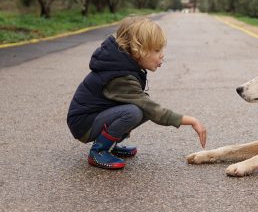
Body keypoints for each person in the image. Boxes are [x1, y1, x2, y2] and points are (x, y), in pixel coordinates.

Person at [67, 16, 207, 170]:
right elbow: (153, 110)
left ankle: (110, 144)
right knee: (134, 111)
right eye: (156, 50)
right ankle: (99, 150)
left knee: (143, 107)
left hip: (94, 117)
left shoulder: (123, 67)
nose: (162, 55)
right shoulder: (119, 76)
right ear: (137, 50)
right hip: (84, 124)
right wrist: (190, 120)